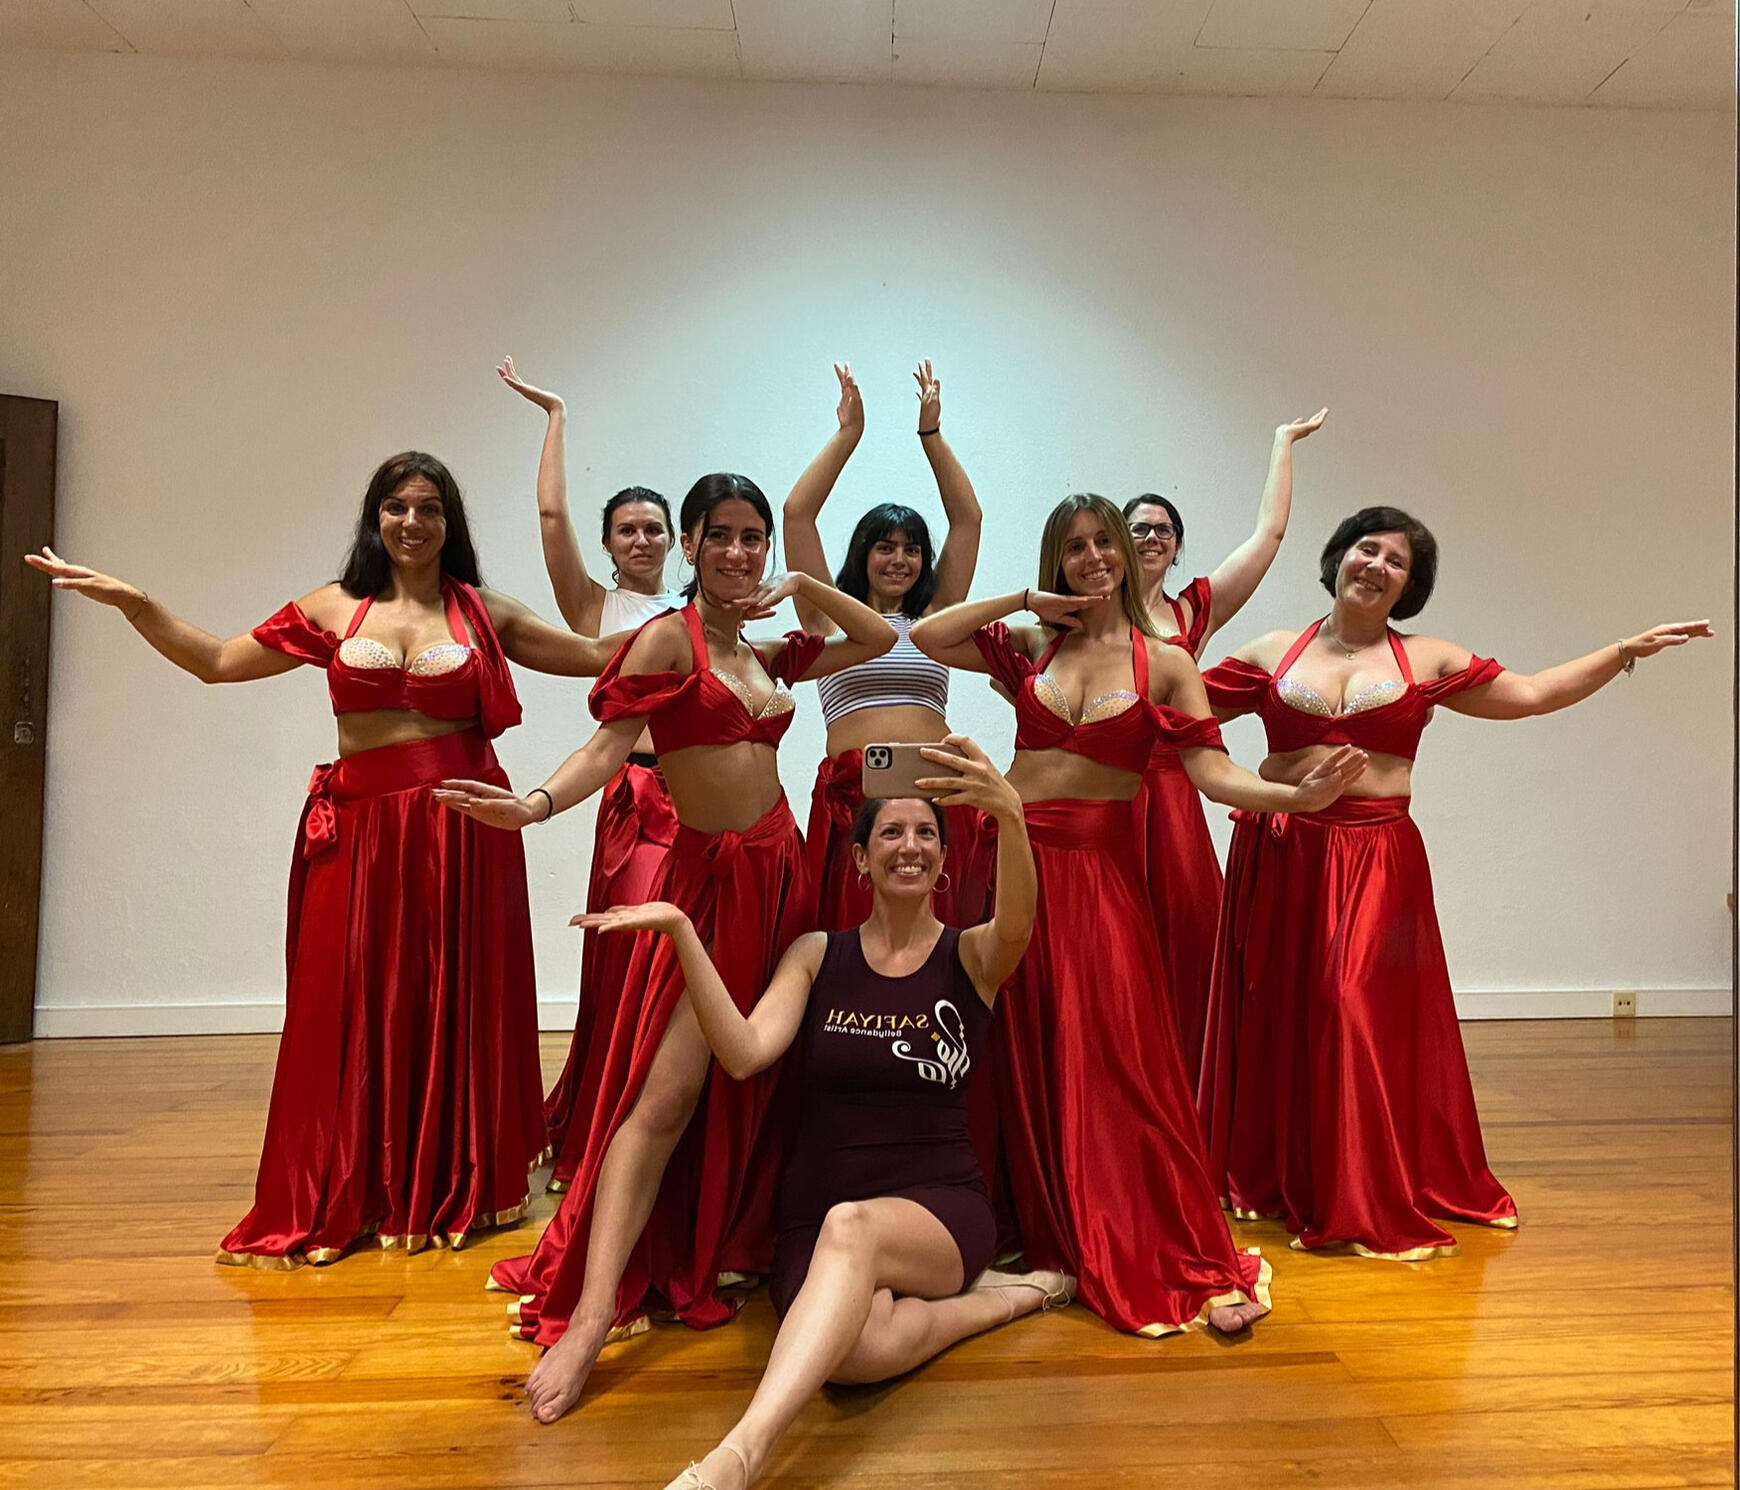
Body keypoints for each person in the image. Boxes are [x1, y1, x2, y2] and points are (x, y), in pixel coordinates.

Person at [27, 450, 627, 1267]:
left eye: (429, 508)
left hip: (463, 831)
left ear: (450, 523)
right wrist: (138, 604)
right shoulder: (332, 606)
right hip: (360, 830)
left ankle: (451, 1176)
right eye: (396, 506)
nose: (412, 522)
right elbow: (217, 663)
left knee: (453, 997)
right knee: (344, 1001)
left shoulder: (484, 611)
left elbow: (600, 657)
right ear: (375, 517)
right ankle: (351, 1180)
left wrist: (707, 618)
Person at [433, 473, 896, 1420]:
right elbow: (609, 748)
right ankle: (592, 1314)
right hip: (712, 886)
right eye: (719, 535)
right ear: (689, 545)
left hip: (782, 874)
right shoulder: (666, 639)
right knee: (665, 1095)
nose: (738, 553)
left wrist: (805, 586)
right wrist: (533, 805)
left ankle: (726, 1240)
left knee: (767, 1072)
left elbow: (880, 641)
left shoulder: (764, 649)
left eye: (753, 537)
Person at [1199, 505, 1712, 1259]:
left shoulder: (1428, 659)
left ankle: (1359, 1188)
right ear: (1339, 557)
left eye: (1396, 562)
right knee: (1282, 1010)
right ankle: (1282, 1174)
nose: (1377, 566)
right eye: (1367, 549)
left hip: (1374, 857)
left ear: (1409, 586)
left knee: (1347, 1004)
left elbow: (1532, 695)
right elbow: (1180, 710)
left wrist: (1620, 652)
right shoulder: (1273, 650)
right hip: (1281, 851)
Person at [911, 494, 1367, 1336]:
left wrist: (1292, 798)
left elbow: (1212, 773)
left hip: (1100, 875)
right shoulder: (1033, 644)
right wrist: (1026, 601)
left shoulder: (1164, 662)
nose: (1092, 558)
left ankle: (1137, 1230)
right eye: (1074, 547)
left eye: (1103, 543)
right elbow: (932, 634)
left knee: (1116, 1055)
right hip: (1012, 859)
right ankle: (1024, 1222)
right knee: (1012, 1043)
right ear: (1058, 560)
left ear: (1125, 552)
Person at [574, 741, 1053, 1489]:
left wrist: (1012, 817)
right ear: (859, 859)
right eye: (890, 832)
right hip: (816, 1220)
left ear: (943, 860)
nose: (909, 846)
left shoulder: (972, 957)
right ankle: (1003, 1301)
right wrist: (684, 935)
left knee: (852, 1229)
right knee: (854, 1356)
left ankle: (739, 1456)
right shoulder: (815, 955)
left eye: (926, 833)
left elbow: (1018, 922)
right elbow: (743, 1053)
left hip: (939, 1209)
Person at [498, 356, 685, 1187]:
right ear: (609, 546)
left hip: (704, 802)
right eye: (627, 530)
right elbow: (549, 516)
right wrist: (556, 418)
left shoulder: (700, 611)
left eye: (654, 529)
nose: (641, 540)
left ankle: (675, 1126)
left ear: (677, 541)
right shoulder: (594, 610)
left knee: (690, 967)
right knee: (627, 957)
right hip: (635, 798)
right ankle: (606, 1122)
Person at [1123, 408, 1326, 1080]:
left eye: (1164, 530)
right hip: (1104, 793)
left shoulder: (1192, 611)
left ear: (1177, 546)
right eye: (1139, 527)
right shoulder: (1082, 611)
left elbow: (1269, 535)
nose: (1152, 537)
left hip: (1174, 792)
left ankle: (1186, 1080)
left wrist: (1281, 444)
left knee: (1186, 937)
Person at [783, 361, 987, 930]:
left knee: (939, 932)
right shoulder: (827, 616)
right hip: (855, 793)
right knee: (852, 932)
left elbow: (967, 520)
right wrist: (848, 434)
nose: (900, 560)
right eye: (885, 547)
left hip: (937, 791)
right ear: (863, 554)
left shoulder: (935, 618)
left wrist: (932, 435)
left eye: (911, 549)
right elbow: (797, 514)